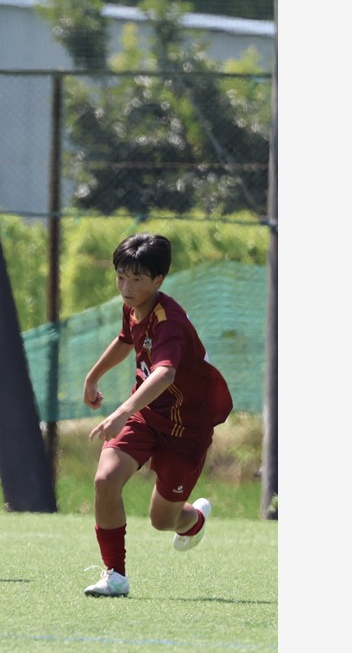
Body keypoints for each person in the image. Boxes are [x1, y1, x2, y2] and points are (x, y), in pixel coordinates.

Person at [80, 232, 233, 598]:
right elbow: (125, 338)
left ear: (159, 280)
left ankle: (193, 520)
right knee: (105, 479)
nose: (126, 286)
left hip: (187, 429)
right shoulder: (133, 305)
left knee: (162, 520)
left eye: (136, 279)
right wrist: (92, 377)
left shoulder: (170, 323)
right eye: (121, 276)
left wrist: (120, 411)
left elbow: (166, 373)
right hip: (147, 414)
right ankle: (115, 575)